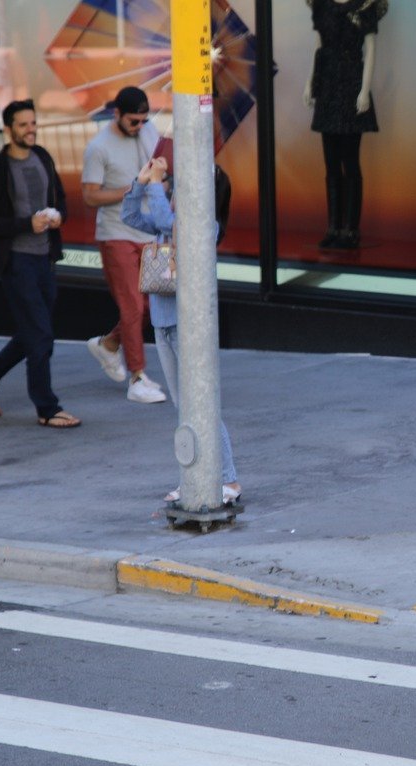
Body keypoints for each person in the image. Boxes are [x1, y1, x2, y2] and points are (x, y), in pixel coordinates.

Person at [121, 155, 242, 505]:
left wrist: (156, 186)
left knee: (201, 405)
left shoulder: (204, 226)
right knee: (183, 408)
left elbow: (166, 220)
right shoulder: (169, 224)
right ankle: (193, 477)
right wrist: (141, 183)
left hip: (191, 327)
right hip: (163, 324)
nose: (175, 191)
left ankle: (228, 479)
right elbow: (130, 216)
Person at [0, 98, 81, 429]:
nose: (30, 129)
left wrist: (58, 215)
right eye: (23, 125)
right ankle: (47, 407)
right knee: (41, 333)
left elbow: (59, 198)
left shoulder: (42, 157)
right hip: (16, 262)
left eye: (33, 123)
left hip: (45, 258)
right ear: (9, 129)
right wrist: (24, 225)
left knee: (34, 333)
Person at [82, 85, 167, 404]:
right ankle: (138, 376)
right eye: (133, 121)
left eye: (144, 120)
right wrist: (134, 188)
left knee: (149, 305)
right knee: (132, 305)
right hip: (116, 232)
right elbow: (90, 196)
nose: (140, 127)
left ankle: (108, 344)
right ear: (116, 115)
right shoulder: (98, 147)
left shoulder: (150, 130)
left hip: (148, 231)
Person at [303, 0, 388, 251]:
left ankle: (351, 230)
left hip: (351, 83)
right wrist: (310, 83)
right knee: (330, 162)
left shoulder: (365, 6)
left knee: (350, 160)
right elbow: (319, 47)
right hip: (328, 84)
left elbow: (371, 49)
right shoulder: (322, 6)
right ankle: (333, 227)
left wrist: (364, 90)